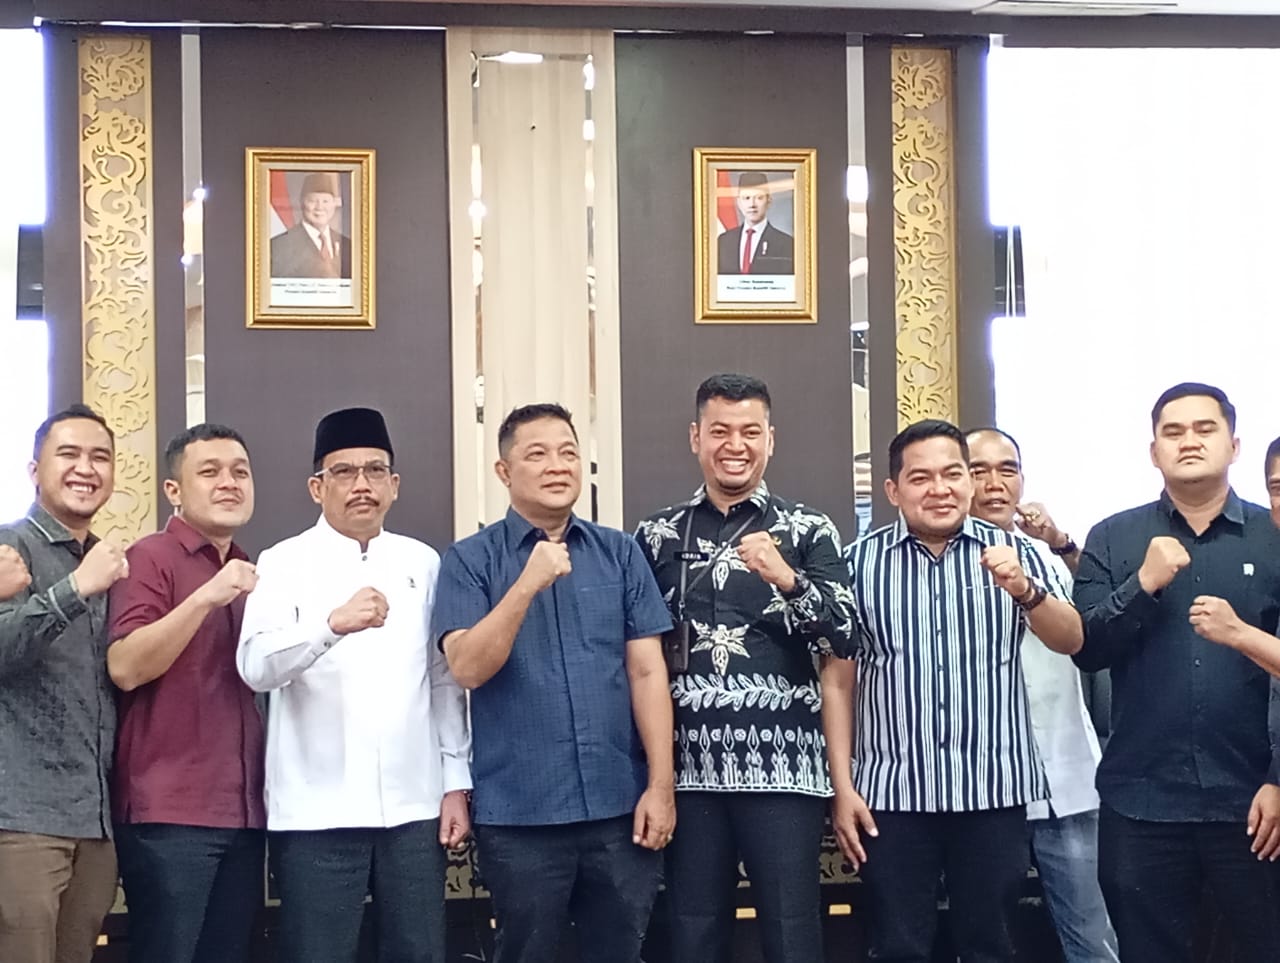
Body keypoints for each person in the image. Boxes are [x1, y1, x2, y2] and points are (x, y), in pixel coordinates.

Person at [433, 403, 675, 963]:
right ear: (503, 471)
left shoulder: (620, 553)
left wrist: (660, 786)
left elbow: (646, 671)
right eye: (537, 454)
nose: (557, 466)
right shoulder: (470, 561)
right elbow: (467, 667)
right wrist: (526, 585)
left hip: (619, 807)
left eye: (568, 452)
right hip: (521, 815)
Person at [837, 418, 1082, 963]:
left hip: (993, 790)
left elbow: (1072, 639)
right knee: (898, 947)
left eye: (952, 474)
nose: (940, 489)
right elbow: (839, 679)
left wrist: (1024, 590)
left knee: (991, 946)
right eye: (921, 477)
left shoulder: (1021, 553)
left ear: (969, 482)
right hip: (892, 794)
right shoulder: (858, 564)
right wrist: (843, 785)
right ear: (893, 490)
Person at [635, 373, 855, 963]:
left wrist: (787, 578)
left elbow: (844, 637)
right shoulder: (656, 535)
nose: (736, 445)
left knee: (791, 933)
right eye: (720, 431)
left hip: (784, 771)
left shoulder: (808, 529)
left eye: (750, 432)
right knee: (692, 935)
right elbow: (639, 656)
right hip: (687, 774)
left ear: (770, 440)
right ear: (695, 438)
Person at [238, 407, 471, 963]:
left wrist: (454, 784)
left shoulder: (423, 562)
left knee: (419, 951)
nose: (361, 485)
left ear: (395, 485)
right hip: (316, 811)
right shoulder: (282, 562)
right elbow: (255, 666)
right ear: (317, 487)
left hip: (414, 808)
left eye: (375, 471)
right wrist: (329, 626)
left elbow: (442, 682)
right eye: (343, 472)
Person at [1073, 383, 1280, 963]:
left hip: (1255, 802)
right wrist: (1141, 585)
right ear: (1153, 451)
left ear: (1234, 445)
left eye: (1205, 429)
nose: (1189, 441)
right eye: (1173, 431)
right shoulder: (1113, 536)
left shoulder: (1274, 536)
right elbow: (1087, 648)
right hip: (1142, 802)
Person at [106, 424, 265, 963]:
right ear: (173, 490)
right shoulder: (149, 557)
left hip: (245, 812)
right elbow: (126, 667)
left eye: (240, 472)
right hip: (170, 814)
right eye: (210, 471)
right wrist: (204, 598)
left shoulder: (249, 566)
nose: (229, 483)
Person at [966, 427, 1118, 963]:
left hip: (1064, 773)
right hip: (985, 786)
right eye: (978, 470)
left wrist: (1062, 542)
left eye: (1006, 469)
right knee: (988, 940)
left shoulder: (1046, 554)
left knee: (1093, 938)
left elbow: (1100, 614)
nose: (994, 483)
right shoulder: (939, 560)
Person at [0, 403, 128, 963]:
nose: (86, 468)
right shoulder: (9, 547)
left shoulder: (112, 561)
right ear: (35, 470)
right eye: (69, 454)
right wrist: (75, 589)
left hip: (96, 821)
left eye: (100, 457)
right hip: (20, 819)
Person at [269, 171, 353, 279]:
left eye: (325, 201)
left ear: (334, 204)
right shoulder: (280, 245)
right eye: (312, 201)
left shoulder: (347, 246)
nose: (319, 207)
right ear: (302, 203)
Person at [716, 172, 795, 276]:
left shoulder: (786, 243)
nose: (752, 204)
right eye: (747, 198)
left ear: (769, 201)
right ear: (738, 202)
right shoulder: (723, 241)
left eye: (759, 198)